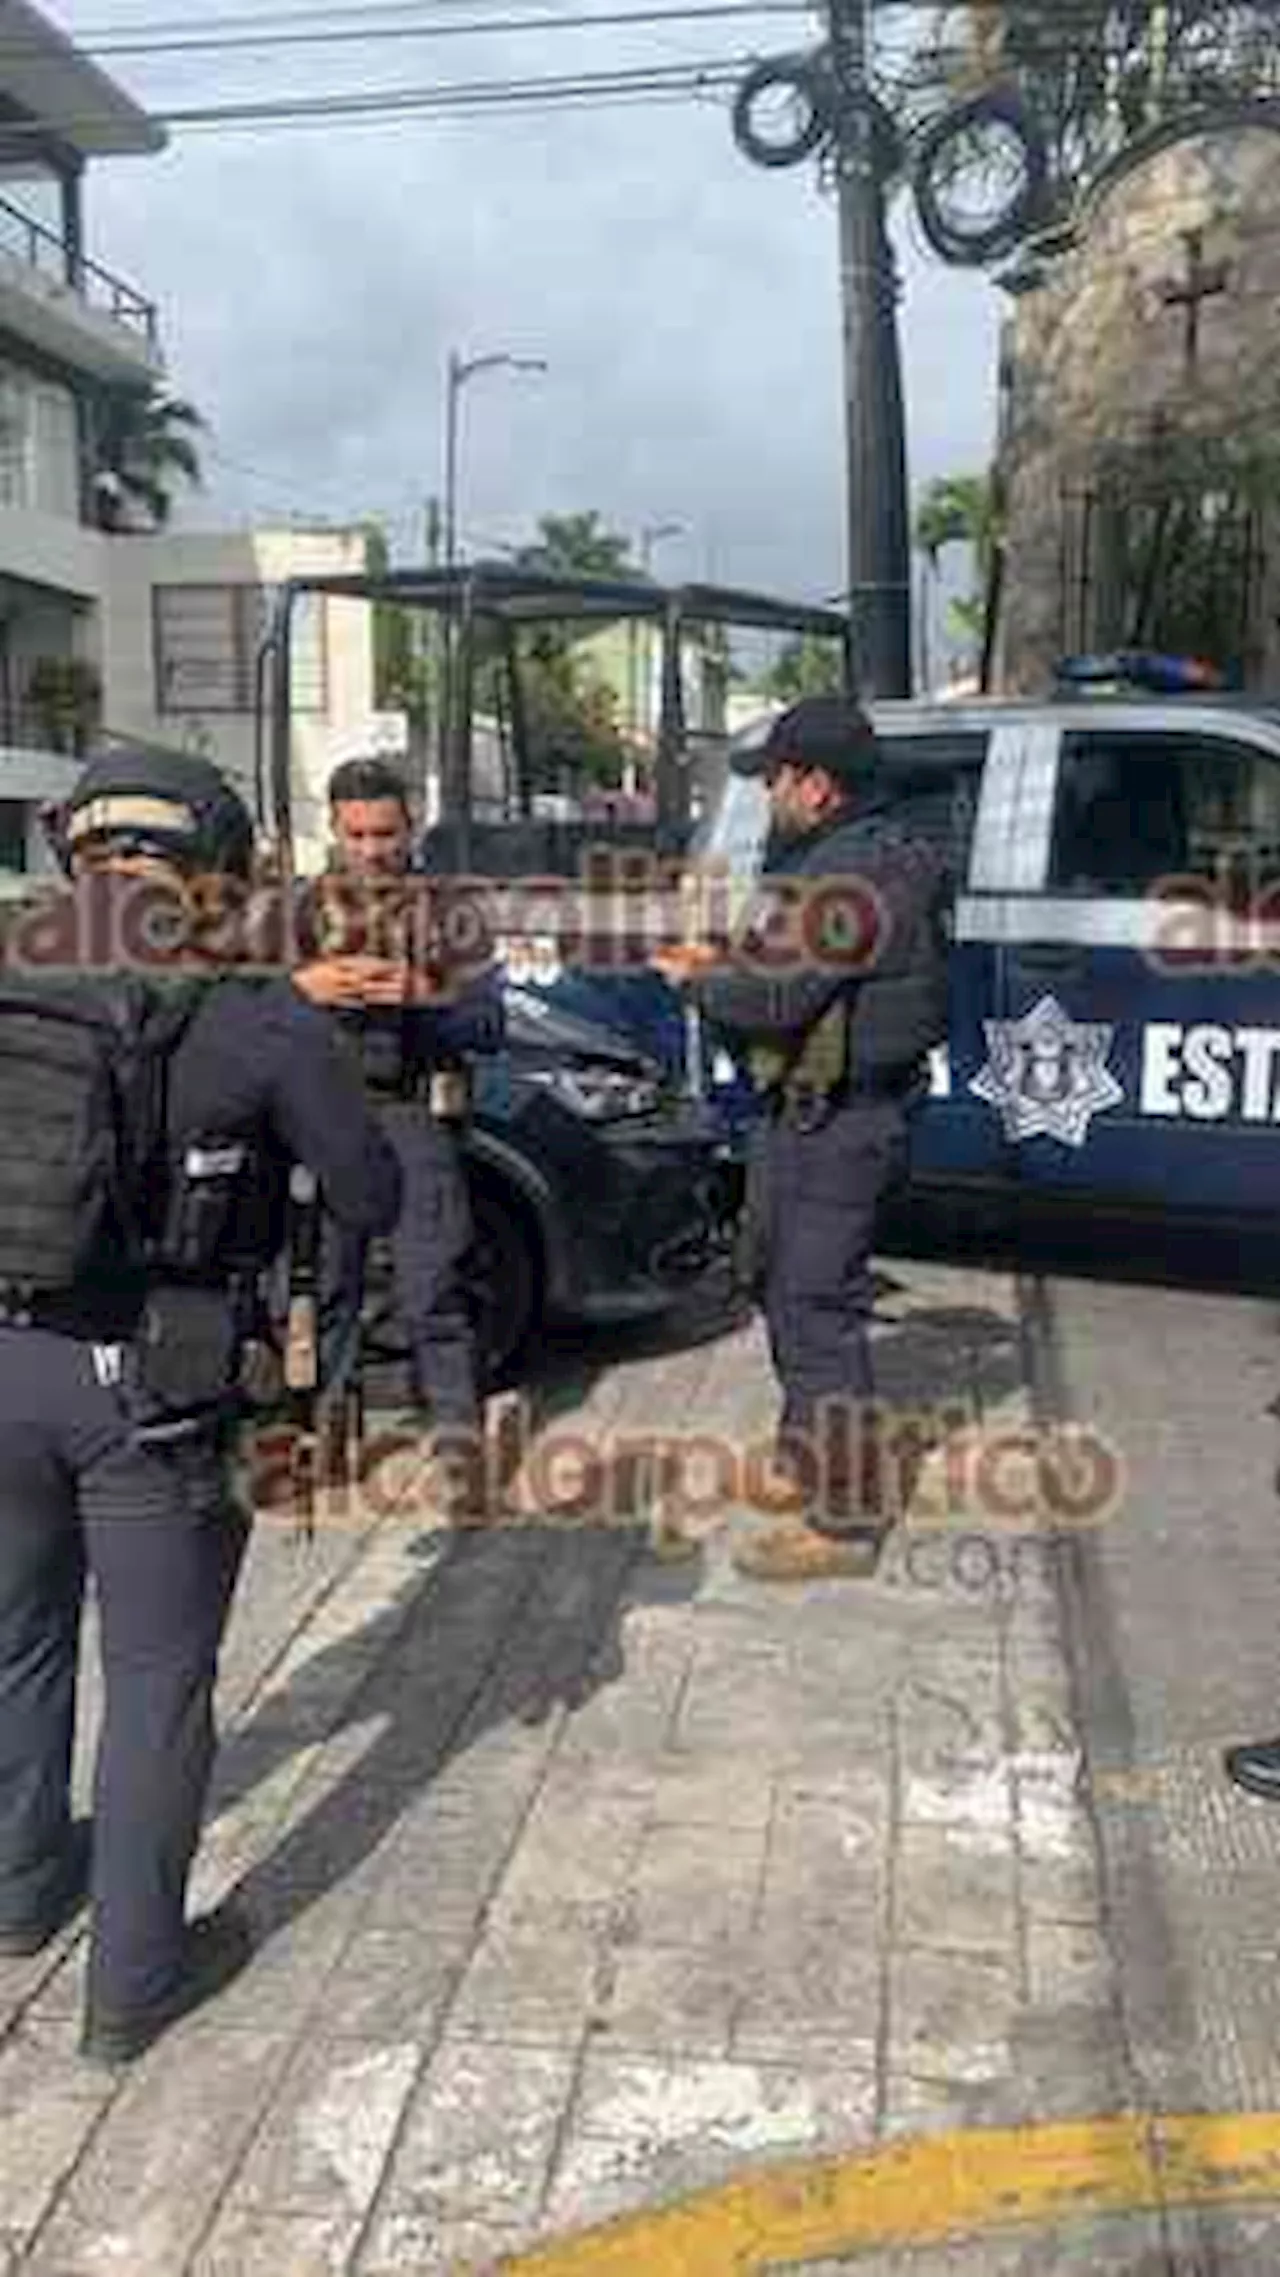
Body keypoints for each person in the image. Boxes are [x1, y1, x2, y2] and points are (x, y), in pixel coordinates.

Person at [0, 743, 402, 2064]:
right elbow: (370, 1195)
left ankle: (18, 1893)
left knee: (18, 1636)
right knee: (159, 1679)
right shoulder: (257, 1008)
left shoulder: (11, 964)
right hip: (158, 1391)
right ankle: (132, 1985)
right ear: (214, 870)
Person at [654, 695, 949, 1581]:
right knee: (782, 1285)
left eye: (777, 778)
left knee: (818, 1308)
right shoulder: (846, 857)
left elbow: (776, 998)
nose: (770, 795)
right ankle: (803, 1456)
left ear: (818, 785)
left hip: (844, 1117)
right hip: (812, 1112)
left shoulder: (855, 873)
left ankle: (846, 1519)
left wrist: (699, 979)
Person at [293, 757, 504, 1514]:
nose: (373, 849)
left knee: (432, 1287)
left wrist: (423, 995)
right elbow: (242, 1012)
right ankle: (330, 1442)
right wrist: (302, 989)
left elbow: (490, 1023)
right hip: (327, 1115)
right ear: (336, 828)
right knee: (326, 1286)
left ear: (410, 825)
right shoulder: (301, 908)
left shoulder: (450, 910)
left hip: (415, 1113)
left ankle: (459, 1455)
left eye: (386, 832)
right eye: (357, 833)